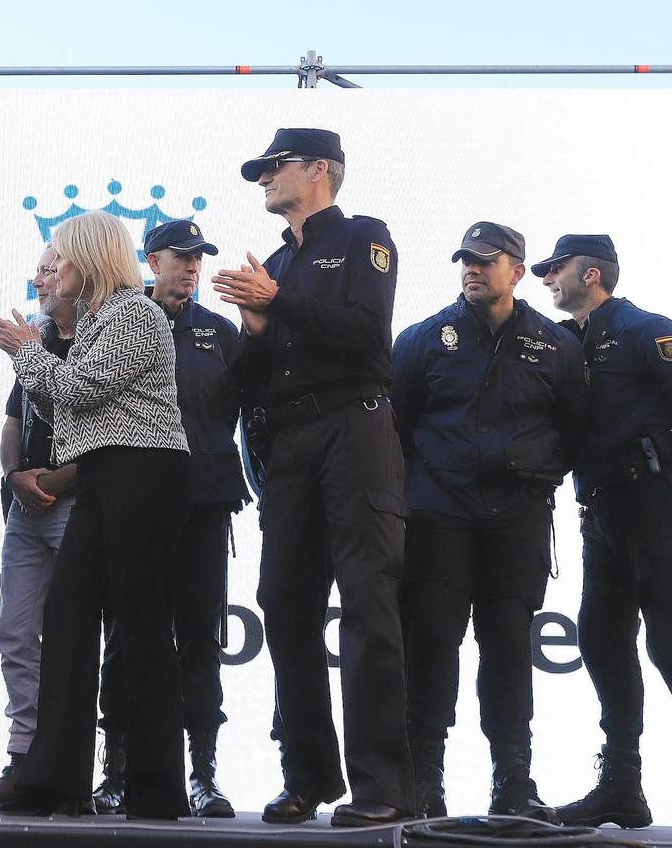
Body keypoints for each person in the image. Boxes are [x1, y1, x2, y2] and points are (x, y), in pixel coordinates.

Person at [212, 128, 414, 826]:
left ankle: (383, 785)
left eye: (276, 166)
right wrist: (256, 331)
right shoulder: (271, 262)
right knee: (284, 603)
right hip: (291, 441)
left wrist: (281, 302)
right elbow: (245, 383)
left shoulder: (363, 237)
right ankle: (309, 774)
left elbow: (367, 333)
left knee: (367, 599)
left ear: (319, 170)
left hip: (356, 428)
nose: (264, 177)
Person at [0, 209, 193, 820]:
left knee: (141, 630)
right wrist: (35, 350)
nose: (51, 270)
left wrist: (25, 350)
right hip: (105, 475)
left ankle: (156, 788)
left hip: (146, 475)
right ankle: (54, 780)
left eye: (60, 257)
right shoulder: (96, 317)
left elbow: (79, 389)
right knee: (68, 618)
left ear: (92, 259)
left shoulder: (133, 312)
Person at [533, 235, 672, 833]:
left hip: (652, 498)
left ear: (591, 274)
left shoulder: (648, 330)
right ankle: (621, 785)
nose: (547, 279)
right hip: (598, 504)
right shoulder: (565, 341)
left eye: (556, 269)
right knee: (599, 637)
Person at [390, 222, 586, 820]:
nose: (472, 270)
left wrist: (538, 472)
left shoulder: (555, 344)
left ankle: (512, 781)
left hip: (517, 514)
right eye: (465, 261)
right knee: (431, 640)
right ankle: (423, 777)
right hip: (438, 511)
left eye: (485, 261)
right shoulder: (424, 338)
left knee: (506, 643)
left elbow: (575, 428)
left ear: (517, 270)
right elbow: (393, 429)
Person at [89, 220, 249, 818]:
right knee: (126, 637)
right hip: (134, 504)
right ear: (150, 260)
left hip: (204, 502)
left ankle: (203, 774)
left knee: (202, 639)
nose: (191, 267)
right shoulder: (120, 321)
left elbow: (248, 416)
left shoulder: (220, 334)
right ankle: (119, 771)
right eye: (180, 257)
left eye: (199, 258)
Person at [0, 245, 79, 810]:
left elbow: (112, 431)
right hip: (26, 508)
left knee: (76, 641)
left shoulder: (105, 335)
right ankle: (24, 758)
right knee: (13, 633)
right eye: (35, 267)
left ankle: (79, 767)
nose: (38, 278)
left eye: (49, 268)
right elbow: (14, 418)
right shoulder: (37, 336)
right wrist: (14, 476)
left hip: (75, 504)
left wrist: (55, 481)